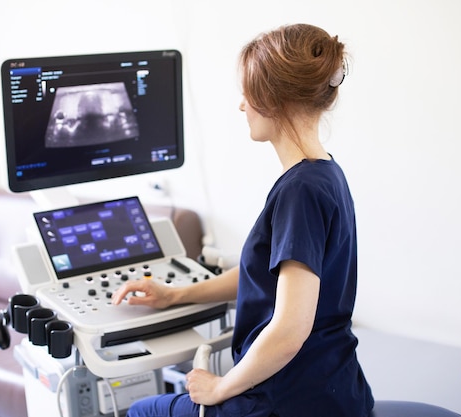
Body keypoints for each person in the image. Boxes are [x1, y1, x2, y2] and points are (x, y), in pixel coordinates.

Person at [111, 23, 375, 417]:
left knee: (141, 411)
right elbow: (266, 274)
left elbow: (288, 331)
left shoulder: (300, 190)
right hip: (335, 390)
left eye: (247, 93)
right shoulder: (325, 174)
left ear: (272, 98)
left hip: (286, 402)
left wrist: (220, 387)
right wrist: (174, 294)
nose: (241, 105)